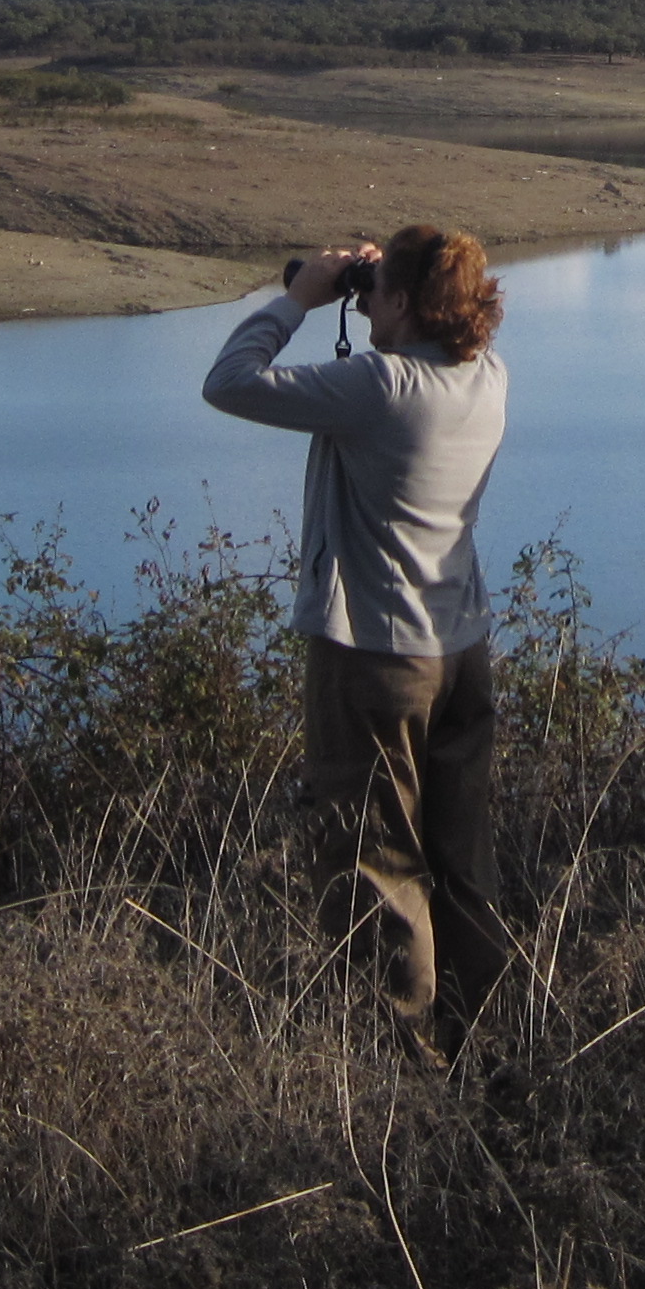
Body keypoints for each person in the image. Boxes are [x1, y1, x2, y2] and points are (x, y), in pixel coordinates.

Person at [204, 225, 516, 1047]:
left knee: (380, 869)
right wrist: (385, 281)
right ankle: (488, 1042)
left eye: (380, 291)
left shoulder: (381, 387)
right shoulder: (487, 376)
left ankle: (402, 1070)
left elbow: (228, 382)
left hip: (375, 660)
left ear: (406, 304)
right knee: (462, 863)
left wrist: (303, 297)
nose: (365, 301)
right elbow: (417, 339)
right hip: (461, 653)